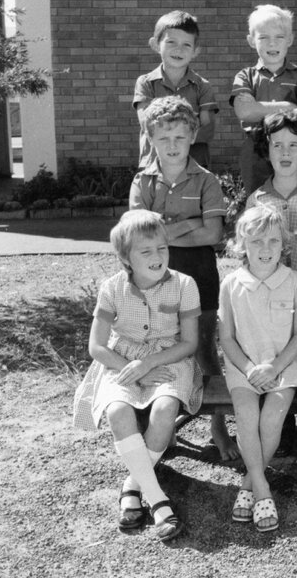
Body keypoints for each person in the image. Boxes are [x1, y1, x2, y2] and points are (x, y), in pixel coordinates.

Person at [72, 210, 200, 542]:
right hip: (120, 361)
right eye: (146, 251)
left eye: (162, 248)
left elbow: (189, 343)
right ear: (126, 258)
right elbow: (97, 347)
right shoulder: (112, 288)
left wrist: (151, 363)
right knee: (117, 411)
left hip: (170, 359)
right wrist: (129, 366)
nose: (158, 257)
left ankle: (133, 485)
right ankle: (157, 499)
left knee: (164, 410)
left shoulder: (184, 285)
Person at [128, 96, 237, 461]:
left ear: (192, 136)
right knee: (157, 348)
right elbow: (137, 237)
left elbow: (213, 234)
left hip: (200, 275)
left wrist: (163, 231)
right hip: (154, 280)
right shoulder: (143, 182)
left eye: (179, 137)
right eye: (163, 138)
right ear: (151, 139)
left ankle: (218, 428)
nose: (171, 146)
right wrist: (189, 223)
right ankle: (160, 426)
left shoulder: (206, 181)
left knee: (205, 351)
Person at [219, 205, 297, 532]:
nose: (266, 249)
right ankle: (261, 488)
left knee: (272, 415)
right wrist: (248, 369)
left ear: (284, 244)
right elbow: (227, 338)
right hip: (243, 364)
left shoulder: (295, 281)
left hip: (286, 363)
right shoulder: (231, 284)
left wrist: (274, 367)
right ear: (242, 244)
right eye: (257, 242)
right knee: (246, 414)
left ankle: (248, 484)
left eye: (274, 241)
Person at [246, 108, 297, 457]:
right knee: (278, 349)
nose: (284, 153)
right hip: (272, 295)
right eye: (277, 145)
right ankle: (279, 425)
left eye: (293, 146)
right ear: (266, 150)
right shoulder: (257, 200)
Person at [231, 4, 297, 194]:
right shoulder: (245, 76)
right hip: (255, 147)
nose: (272, 43)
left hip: (292, 145)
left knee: (294, 196)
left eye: (279, 37)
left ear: (290, 40)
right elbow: (244, 111)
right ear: (251, 41)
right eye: (264, 37)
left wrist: (258, 107)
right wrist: (288, 106)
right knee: (258, 199)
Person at [133, 10, 217, 169]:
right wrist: (190, 123)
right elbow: (147, 125)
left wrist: (166, 129)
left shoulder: (203, 87)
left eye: (187, 44)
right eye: (171, 42)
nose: (179, 50)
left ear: (195, 51)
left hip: (194, 168)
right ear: (155, 44)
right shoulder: (146, 84)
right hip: (154, 167)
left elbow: (207, 131)